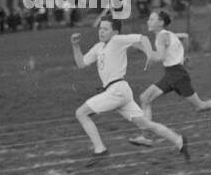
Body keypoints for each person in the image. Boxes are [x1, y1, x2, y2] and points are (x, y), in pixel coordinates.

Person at [71, 17, 188, 165]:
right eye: (100, 28)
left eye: (105, 29)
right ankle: (179, 141)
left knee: (81, 113)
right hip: (120, 92)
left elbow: (143, 37)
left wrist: (150, 54)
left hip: (117, 90)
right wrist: (75, 46)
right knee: (146, 125)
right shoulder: (98, 47)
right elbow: (81, 63)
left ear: (115, 32)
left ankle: (100, 149)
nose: (101, 31)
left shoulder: (117, 40)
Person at [127, 9, 211, 146]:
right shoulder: (167, 34)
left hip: (177, 75)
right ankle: (146, 136)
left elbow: (160, 57)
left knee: (201, 106)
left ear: (160, 23)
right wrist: (182, 57)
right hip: (172, 74)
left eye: (151, 19)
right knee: (145, 98)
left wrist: (144, 49)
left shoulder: (162, 36)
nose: (148, 21)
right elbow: (185, 37)